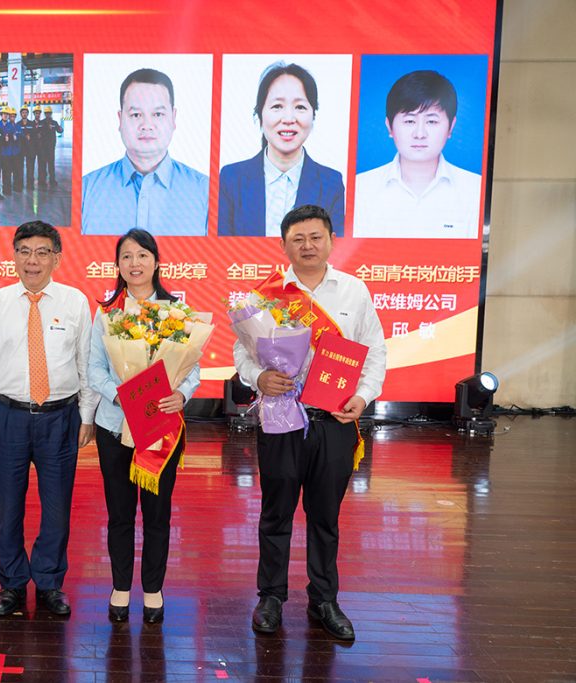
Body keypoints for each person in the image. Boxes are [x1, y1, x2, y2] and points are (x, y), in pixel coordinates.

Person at [233, 204, 386, 641]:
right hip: (281, 416)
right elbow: (242, 352)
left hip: (334, 419)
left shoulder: (353, 291)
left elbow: (375, 350)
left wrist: (362, 396)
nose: (307, 246)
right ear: (284, 246)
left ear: (331, 241)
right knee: (275, 512)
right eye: (297, 239)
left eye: (315, 237)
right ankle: (271, 596)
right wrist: (258, 377)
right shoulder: (267, 295)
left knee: (325, 516)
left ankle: (324, 599)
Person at [0, 220, 98, 618]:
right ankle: (11, 582)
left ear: (56, 259)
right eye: (24, 251)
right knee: (7, 506)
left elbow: (86, 363)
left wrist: (87, 416)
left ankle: (48, 581)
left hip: (60, 418)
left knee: (57, 506)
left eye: (42, 252)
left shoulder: (75, 301)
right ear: (13, 256)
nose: (33, 260)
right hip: (7, 416)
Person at [87, 228, 199, 624]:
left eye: (142, 255)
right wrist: (122, 398)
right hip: (114, 426)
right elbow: (94, 370)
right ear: (117, 265)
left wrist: (182, 394)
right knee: (119, 513)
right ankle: (120, 586)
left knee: (157, 514)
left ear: (156, 261)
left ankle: (153, 589)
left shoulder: (177, 312)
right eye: (126, 257)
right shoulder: (107, 313)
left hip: (161, 428)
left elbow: (192, 369)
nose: (134, 263)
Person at [217, 62, 346, 237]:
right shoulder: (231, 179)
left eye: (300, 107)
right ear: (260, 114)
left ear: (313, 115)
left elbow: (335, 249)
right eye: (277, 106)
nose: (288, 118)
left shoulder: (331, 183)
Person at [353, 69, 482, 239]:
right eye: (409, 121)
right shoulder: (360, 189)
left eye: (432, 121)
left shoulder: (475, 190)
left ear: (451, 127)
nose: (420, 133)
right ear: (389, 126)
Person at [82, 68, 209, 236]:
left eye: (158, 114)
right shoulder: (86, 189)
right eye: (136, 115)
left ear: (173, 118)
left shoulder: (205, 191)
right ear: (120, 119)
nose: (147, 125)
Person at [39, 106, 63, 188]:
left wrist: (60, 129)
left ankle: (52, 180)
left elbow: (59, 130)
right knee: (43, 164)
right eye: (46, 113)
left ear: (51, 114)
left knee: (51, 164)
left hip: (51, 147)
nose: (48, 115)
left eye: (49, 113)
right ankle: (42, 180)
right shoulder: (41, 123)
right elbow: (38, 131)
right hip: (43, 147)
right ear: (45, 114)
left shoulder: (54, 123)